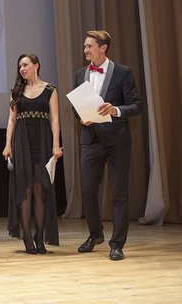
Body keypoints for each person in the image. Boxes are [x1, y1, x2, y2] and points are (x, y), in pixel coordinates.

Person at [74, 30, 140, 261]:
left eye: (89, 46)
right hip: (90, 140)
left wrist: (116, 110)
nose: (85, 50)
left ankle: (117, 244)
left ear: (103, 48)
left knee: (119, 192)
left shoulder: (123, 72)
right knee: (87, 190)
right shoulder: (80, 74)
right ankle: (95, 235)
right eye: (85, 46)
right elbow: (76, 106)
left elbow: (136, 106)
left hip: (117, 141)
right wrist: (81, 117)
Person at [2, 54, 63, 255]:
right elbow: (11, 120)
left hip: (43, 141)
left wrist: (56, 145)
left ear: (36, 66)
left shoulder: (50, 89)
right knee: (25, 189)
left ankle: (39, 236)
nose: (22, 68)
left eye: (25, 64)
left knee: (40, 189)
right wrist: (7, 145)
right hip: (22, 141)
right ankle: (27, 236)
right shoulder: (16, 92)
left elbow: (54, 118)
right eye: (20, 65)